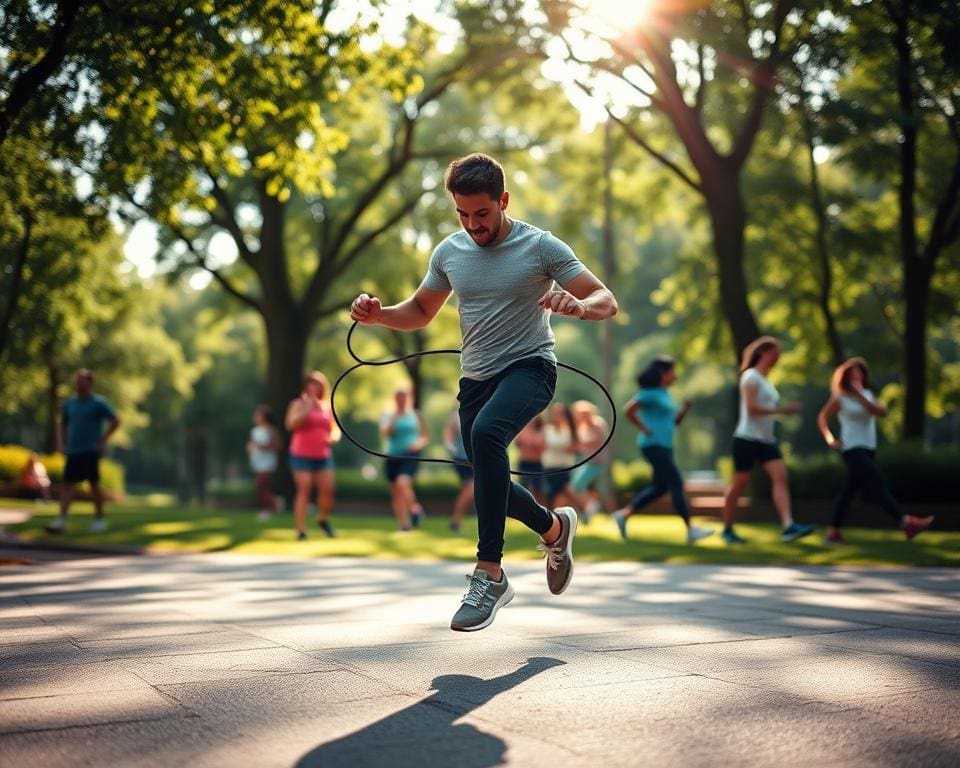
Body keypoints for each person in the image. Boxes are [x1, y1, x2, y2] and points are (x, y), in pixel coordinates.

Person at [350, 152, 617, 631]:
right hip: (474, 379)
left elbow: (605, 299)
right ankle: (555, 528)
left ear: (503, 201)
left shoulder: (541, 246)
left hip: (530, 367)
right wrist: (380, 314)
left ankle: (489, 574)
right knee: (488, 476)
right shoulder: (450, 252)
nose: (473, 224)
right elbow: (420, 311)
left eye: (483, 214)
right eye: (463, 214)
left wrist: (578, 306)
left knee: (489, 436)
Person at [817, 357, 934, 543]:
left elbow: (881, 412)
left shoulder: (869, 395)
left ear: (864, 375)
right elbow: (822, 417)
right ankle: (906, 522)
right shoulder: (841, 397)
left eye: (859, 372)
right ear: (846, 377)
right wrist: (830, 439)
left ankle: (833, 532)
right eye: (852, 373)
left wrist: (861, 396)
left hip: (869, 448)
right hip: (851, 448)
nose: (856, 376)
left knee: (848, 491)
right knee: (877, 483)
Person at [721, 337, 815, 544]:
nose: (778, 356)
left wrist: (781, 411)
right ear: (762, 353)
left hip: (766, 440)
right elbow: (752, 409)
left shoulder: (764, 380)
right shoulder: (750, 377)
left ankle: (788, 526)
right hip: (746, 438)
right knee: (739, 484)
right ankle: (727, 529)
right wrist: (784, 410)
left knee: (781, 476)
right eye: (775, 352)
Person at [612, 356, 714, 544]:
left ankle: (624, 514)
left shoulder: (665, 394)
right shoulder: (649, 393)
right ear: (662, 373)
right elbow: (629, 410)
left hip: (665, 445)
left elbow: (673, 423)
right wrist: (644, 428)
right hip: (652, 444)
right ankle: (691, 530)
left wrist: (684, 410)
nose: (675, 375)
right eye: (672, 371)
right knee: (676, 481)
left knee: (661, 487)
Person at [44, 369, 120, 534]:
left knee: (94, 485)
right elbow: (62, 424)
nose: (78, 384)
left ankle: (99, 520)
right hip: (73, 451)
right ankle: (62, 521)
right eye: (76, 381)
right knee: (67, 484)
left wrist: (103, 442)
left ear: (90, 383)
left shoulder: (98, 403)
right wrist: (61, 443)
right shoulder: (70, 403)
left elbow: (115, 420)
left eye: (82, 381)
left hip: (90, 451)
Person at [285, 371, 340, 541]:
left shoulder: (327, 406)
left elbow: (336, 429)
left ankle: (322, 519)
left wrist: (333, 438)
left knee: (328, 491)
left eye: (317, 384)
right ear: (306, 386)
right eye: (310, 383)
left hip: (323, 454)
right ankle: (301, 530)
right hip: (301, 453)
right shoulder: (297, 404)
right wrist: (307, 409)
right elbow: (290, 424)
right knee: (305, 488)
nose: (313, 387)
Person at [380, 387, 429, 531]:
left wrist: (418, 444)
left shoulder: (415, 415)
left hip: (410, 455)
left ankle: (415, 510)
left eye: (404, 396)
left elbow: (425, 435)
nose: (402, 399)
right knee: (396, 493)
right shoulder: (388, 415)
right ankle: (404, 524)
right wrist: (395, 417)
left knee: (403, 482)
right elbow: (386, 433)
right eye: (399, 397)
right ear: (395, 399)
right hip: (392, 455)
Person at [568, 399, 610, 523]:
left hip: (597, 461)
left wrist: (578, 445)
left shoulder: (598, 424)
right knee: (579, 486)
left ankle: (591, 506)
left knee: (577, 485)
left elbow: (595, 441)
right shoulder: (583, 426)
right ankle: (588, 508)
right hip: (588, 461)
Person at [542, 401, 579, 511]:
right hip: (549, 466)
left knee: (561, 491)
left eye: (560, 412)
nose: (557, 415)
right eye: (555, 412)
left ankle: (583, 506)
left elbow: (574, 447)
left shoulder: (570, 429)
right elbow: (542, 445)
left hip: (564, 466)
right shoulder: (547, 429)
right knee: (552, 492)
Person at [443, 410, 474, 533]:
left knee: (467, 490)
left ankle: (456, 521)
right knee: (470, 489)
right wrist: (452, 450)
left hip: (476, 459)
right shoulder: (456, 416)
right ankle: (455, 520)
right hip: (462, 459)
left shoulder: (481, 411)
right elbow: (447, 436)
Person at [247, 405, 280, 521]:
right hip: (257, 461)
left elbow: (276, 446)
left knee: (262, 484)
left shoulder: (272, 430)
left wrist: (262, 447)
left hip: (268, 462)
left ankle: (271, 507)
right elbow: (251, 445)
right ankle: (273, 505)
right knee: (260, 487)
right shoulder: (254, 431)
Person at [514, 415, 547, 505]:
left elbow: (540, 446)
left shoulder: (541, 431)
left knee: (538, 488)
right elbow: (519, 442)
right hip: (524, 462)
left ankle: (541, 507)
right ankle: (521, 507)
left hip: (536, 463)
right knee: (522, 487)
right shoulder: (522, 429)